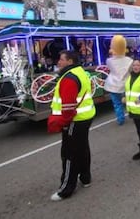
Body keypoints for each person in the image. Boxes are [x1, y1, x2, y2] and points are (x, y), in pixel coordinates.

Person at [48, 50, 96, 202]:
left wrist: (62, 123)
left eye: (61, 59)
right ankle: (86, 178)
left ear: (69, 61)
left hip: (75, 120)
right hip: (85, 117)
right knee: (83, 149)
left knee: (69, 154)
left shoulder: (68, 78)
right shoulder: (80, 71)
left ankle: (67, 188)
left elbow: (68, 107)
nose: (58, 62)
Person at [104, 35, 133, 125]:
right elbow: (131, 71)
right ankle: (132, 114)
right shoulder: (130, 60)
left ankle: (120, 119)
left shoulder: (109, 61)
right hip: (126, 83)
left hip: (113, 85)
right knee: (130, 100)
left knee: (117, 103)